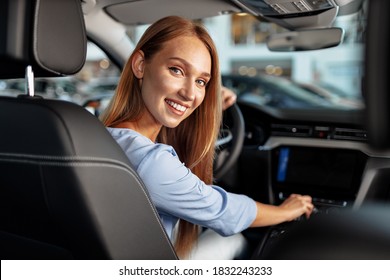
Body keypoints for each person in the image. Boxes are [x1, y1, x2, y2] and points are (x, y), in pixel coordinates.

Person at [100, 15, 314, 259]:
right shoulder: (153, 162)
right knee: (233, 240)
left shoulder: (100, 135)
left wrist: (209, 105)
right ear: (140, 65)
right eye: (176, 70)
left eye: (201, 81)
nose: (190, 94)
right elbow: (223, 211)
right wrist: (284, 211)